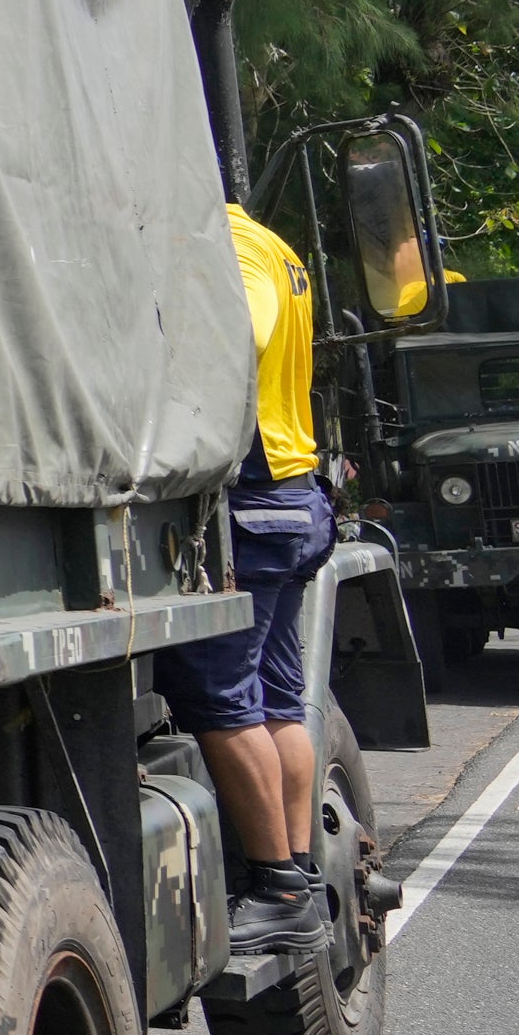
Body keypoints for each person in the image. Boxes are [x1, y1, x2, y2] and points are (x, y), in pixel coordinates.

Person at [150, 203, 343, 958]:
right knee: (281, 701)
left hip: (257, 498)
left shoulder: (224, 240)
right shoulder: (273, 239)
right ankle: (294, 872)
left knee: (223, 701)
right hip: (295, 493)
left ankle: (281, 888)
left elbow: (249, 330)